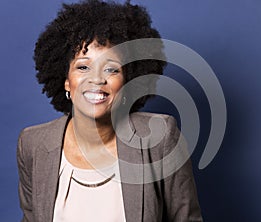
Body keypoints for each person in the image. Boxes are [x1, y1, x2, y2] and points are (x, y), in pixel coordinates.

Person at [17, 0, 203, 221]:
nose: (96, 79)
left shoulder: (160, 138)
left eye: (111, 69)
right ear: (66, 81)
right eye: (83, 67)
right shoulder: (33, 144)